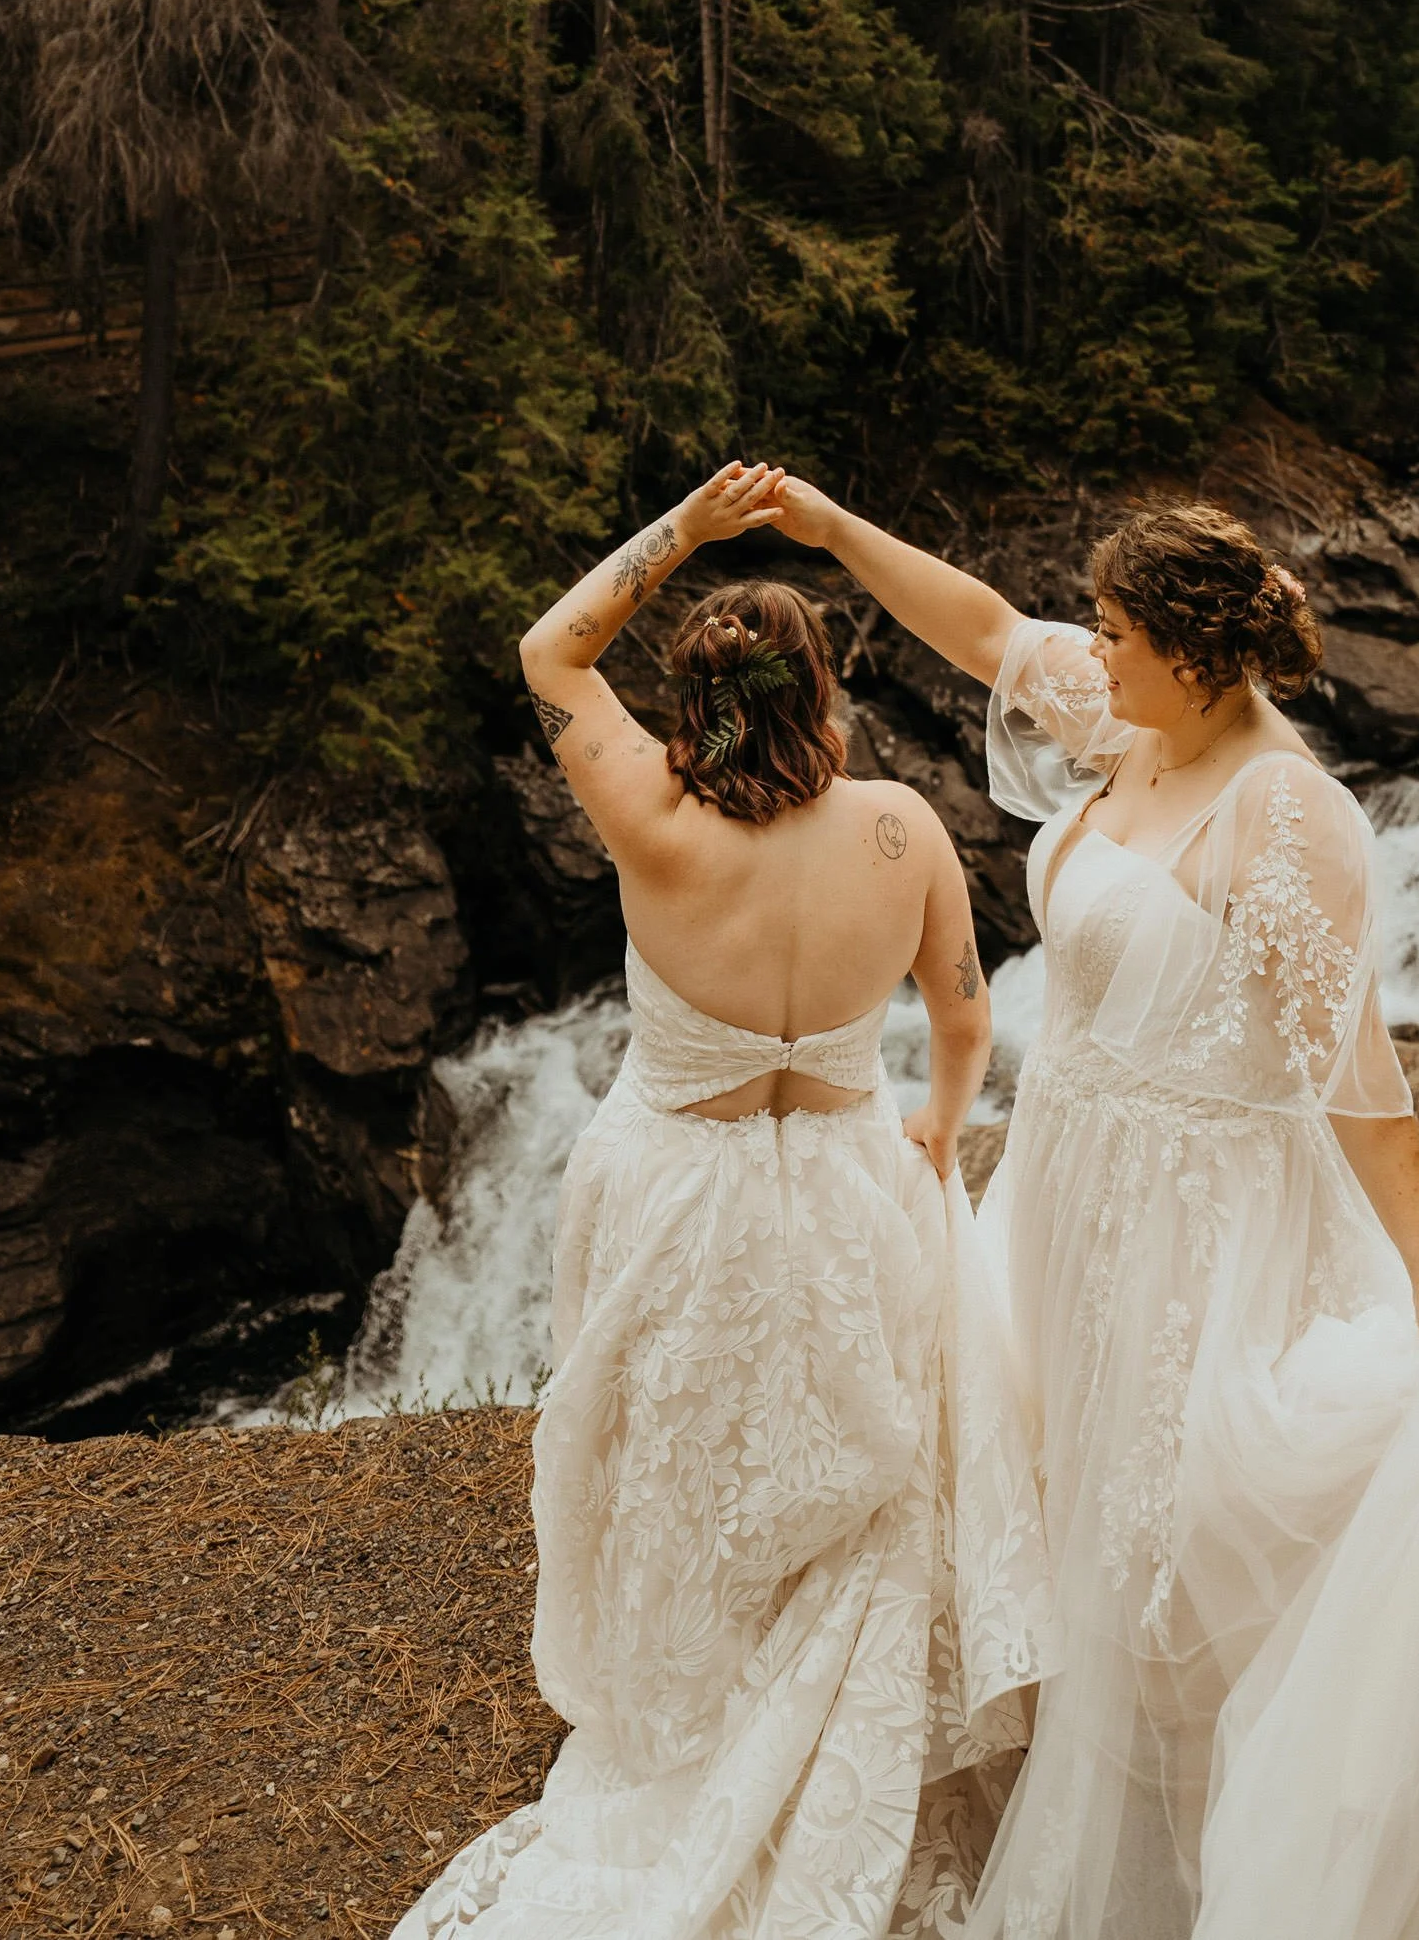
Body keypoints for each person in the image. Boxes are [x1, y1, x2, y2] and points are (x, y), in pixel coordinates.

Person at [764, 479, 1419, 1940]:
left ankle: (1194, 1841)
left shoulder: (1285, 813)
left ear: (1197, 657)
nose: (1091, 649)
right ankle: (1073, 1781)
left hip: (1197, 1220)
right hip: (1067, 1183)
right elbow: (987, 629)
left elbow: (1355, 1066)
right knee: (1057, 1481)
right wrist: (831, 530)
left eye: (1119, 629)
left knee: (1170, 1531)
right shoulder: (1137, 720)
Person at [394, 461, 1053, 1940]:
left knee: (680, 1458)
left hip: (676, 1194)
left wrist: (684, 529)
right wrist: (938, 1133)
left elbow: (548, 649)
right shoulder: (903, 831)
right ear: (822, 691)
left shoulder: (648, 814)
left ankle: (688, 1698)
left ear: (691, 707)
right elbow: (962, 1021)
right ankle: (824, 1718)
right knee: (851, 1486)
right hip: (843, 1188)